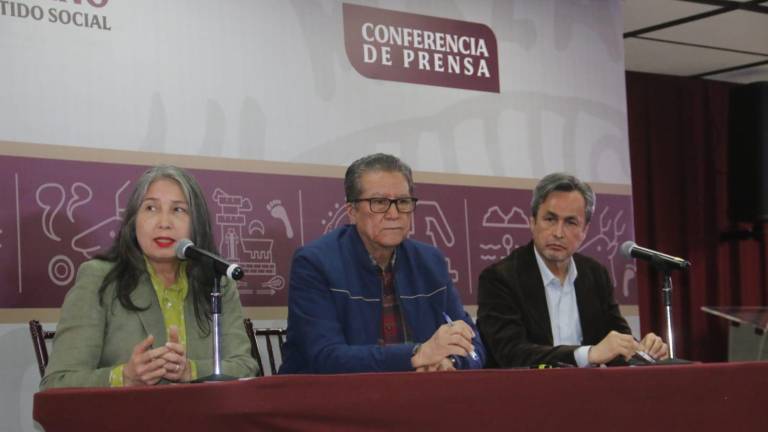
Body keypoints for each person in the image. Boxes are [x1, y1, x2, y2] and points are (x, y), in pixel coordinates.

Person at [40, 165, 258, 389]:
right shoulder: (99, 279)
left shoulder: (217, 282)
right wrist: (124, 377)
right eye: (151, 208)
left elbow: (245, 366)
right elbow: (57, 383)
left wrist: (190, 371)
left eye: (178, 210)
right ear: (133, 221)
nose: (164, 222)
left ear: (197, 224)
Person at [279, 153, 485, 374]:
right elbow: (326, 357)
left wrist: (451, 362)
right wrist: (417, 355)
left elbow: (475, 348)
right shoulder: (315, 262)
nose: (394, 214)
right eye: (379, 202)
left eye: (403, 202)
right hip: (330, 401)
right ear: (351, 211)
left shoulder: (430, 262)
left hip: (413, 398)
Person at [477, 173, 668, 368]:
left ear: (585, 230)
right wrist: (589, 354)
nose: (558, 233)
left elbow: (616, 341)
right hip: (527, 395)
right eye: (550, 219)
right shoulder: (500, 279)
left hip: (590, 394)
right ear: (532, 222)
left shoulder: (595, 274)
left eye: (570, 222)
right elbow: (512, 354)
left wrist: (642, 349)